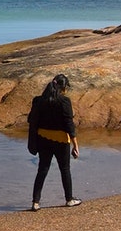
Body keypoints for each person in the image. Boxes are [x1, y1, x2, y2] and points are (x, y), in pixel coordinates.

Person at [26, 74, 81, 211]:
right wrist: (75, 145)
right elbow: (69, 124)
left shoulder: (38, 101)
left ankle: (35, 202)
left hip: (42, 138)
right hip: (61, 140)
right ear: (63, 88)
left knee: (42, 169)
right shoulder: (64, 101)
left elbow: (31, 120)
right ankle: (69, 199)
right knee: (65, 169)